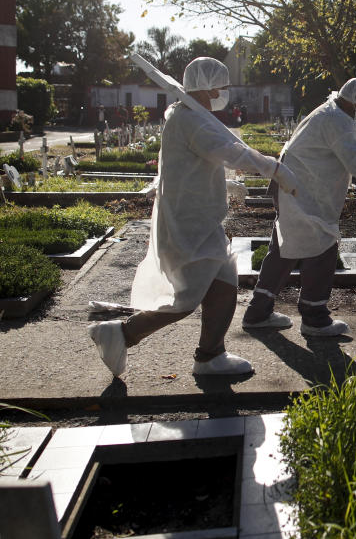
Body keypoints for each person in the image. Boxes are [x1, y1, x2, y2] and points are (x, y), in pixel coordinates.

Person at [88, 57, 300, 377]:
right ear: (209, 88)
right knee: (186, 299)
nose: (225, 93)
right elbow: (228, 152)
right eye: (223, 88)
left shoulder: (186, 114)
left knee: (224, 285)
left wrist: (225, 184)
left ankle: (210, 355)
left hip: (197, 222)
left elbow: (188, 169)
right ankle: (121, 333)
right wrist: (275, 169)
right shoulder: (192, 120)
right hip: (190, 226)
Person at [241, 78, 356, 336]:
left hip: (293, 188)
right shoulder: (337, 122)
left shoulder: (332, 113)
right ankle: (315, 318)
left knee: (283, 249)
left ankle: (258, 312)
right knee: (322, 247)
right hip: (302, 194)